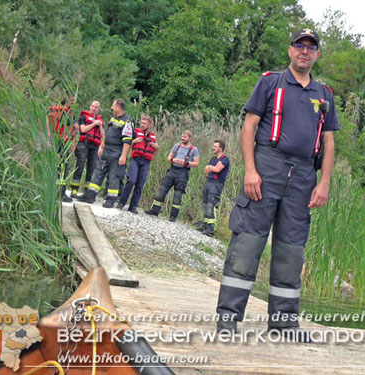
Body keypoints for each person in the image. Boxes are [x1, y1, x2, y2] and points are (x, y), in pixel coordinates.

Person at [215, 29, 339, 337]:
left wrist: (323, 182)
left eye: (311, 48)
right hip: (267, 167)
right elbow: (249, 127)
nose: (304, 51)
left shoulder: (324, 95)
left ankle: (284, 323)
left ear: (317, 55)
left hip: (302, 177)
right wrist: (250, 171)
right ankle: (228, 318)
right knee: (248, 242)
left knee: (291, 249)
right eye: (300, 45)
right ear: (290, 50)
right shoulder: (270, 82)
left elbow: (329, 141)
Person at [77, 98, 133, 207]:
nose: (111, 107)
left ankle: (111, 199)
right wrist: (101, 146)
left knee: (114, 175)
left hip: (117, 151)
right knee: (98, 172)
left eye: (113, 105)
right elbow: (106, 134)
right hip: (106, 149)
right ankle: (89, 195)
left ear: (118, 107)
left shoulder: (127, 121)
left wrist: (123, 156)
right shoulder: (113, 119)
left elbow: (127, 140)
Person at [144, 130, 199, 222]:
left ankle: (173, 216)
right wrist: (173, 160)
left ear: (190, 138)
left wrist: (185, 163)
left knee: (178, 194)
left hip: (183, 172)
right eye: (182, 136)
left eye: (185, 137)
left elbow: (197, 163)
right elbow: (169, 157)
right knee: (162, 189)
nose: (183, 138)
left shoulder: (194, 149)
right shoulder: (177, 146)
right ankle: (154, 210)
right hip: (172, 170)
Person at [117, 115, 158, 213]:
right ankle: (122, 203)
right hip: (135, 159)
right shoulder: (135, 132)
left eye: (144, 123)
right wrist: (134, 141)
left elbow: (154, 153)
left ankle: (133, 206)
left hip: (146, 162)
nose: (142, 125)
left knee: (140, 184)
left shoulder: (153, 136)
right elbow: (127, 144)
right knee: (131, 180)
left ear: (150, 125)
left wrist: (156, 147)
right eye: (141, 123)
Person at [195, 140, 230, 237]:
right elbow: (206, 171)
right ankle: (205, 224)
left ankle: (211, 228)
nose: (213, 148)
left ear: (221, 148)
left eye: (215, 146)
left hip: (217, 184)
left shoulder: (225, 159)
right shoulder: (213, 159)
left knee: (212, 203)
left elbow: (217, 169)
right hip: (209, 182)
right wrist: (211, 168)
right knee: (205, 203)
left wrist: (210, 167)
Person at [70, 100, 104, 198]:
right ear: (90, 107)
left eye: (96, 107)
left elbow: (103, 135)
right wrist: (94, 124)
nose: (93, 108)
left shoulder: (100, 120)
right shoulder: (83, 117)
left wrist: (99, 125)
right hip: (83, 144)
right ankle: (74, 189)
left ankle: (86, 192)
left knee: (92, 168)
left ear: (98, 109)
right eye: (92, 106)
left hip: (94, 146)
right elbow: (83, 129)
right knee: (80, 166)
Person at [47, 97, 75, 203]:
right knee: (63, 168)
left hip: (54, 140)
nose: (73, 103)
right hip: (62, 142)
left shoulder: (53, 111)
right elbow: (74, 126)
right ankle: (61, 194)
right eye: (72, 101)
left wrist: (49, 136)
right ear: (67, 102)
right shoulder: (65, 113)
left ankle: (52, 191)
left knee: (56, 166)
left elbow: (47, 122)